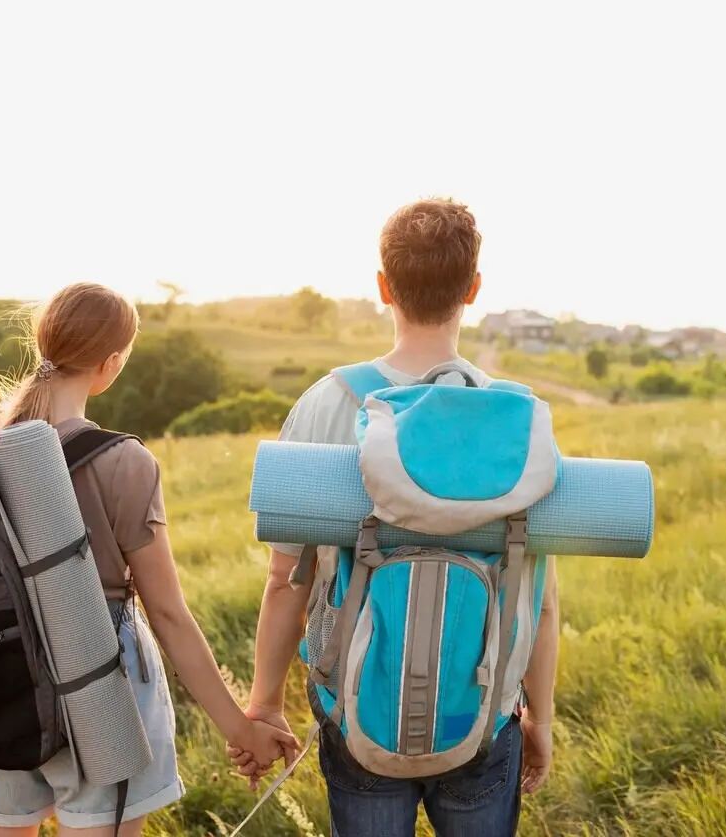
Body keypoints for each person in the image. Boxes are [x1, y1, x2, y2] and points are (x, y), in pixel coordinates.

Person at [230, 199, 561, 836]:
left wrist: (265, 703)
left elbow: (285, 581)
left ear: (383, 287)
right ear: (474, 289)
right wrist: (537, 719)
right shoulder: (516, 427)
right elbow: (540, 598)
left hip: (359, 713)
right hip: (483, 711)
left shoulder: (328, 406)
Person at [0, 282, 299, 837]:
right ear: (111, 363)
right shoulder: (124, 461)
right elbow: (169, 615)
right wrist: (241, 729)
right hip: (100, 683)